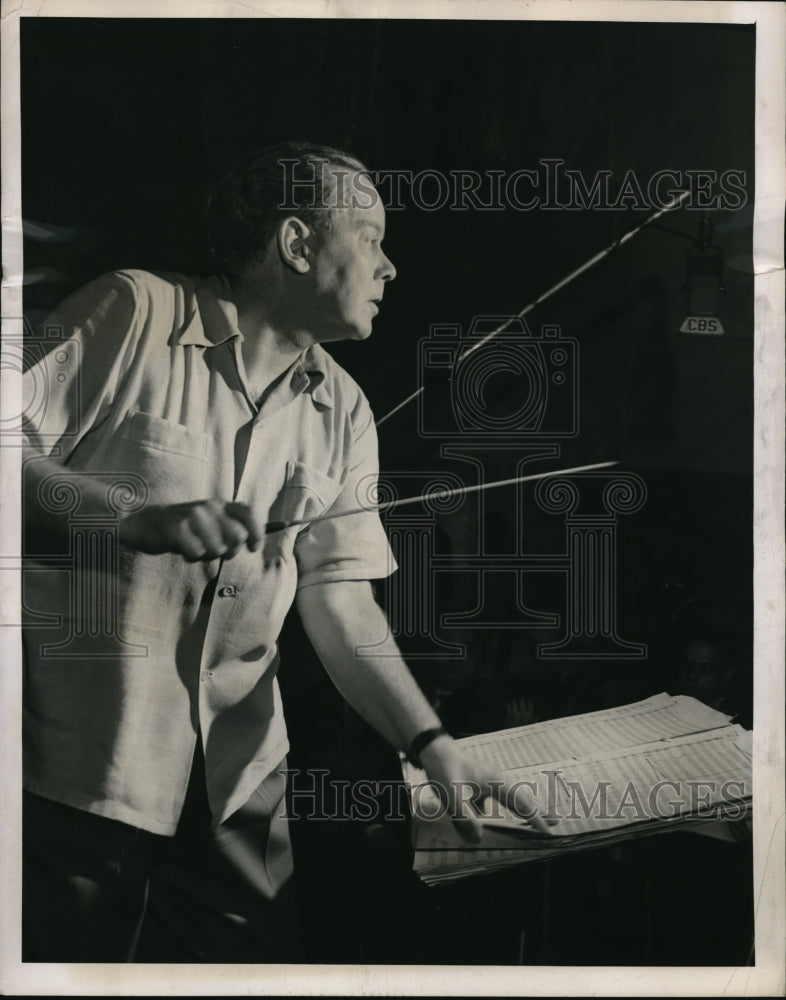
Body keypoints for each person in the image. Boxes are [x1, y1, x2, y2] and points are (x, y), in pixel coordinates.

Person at [20, 141, 552, 962]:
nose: (390, 268)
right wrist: (126, 517)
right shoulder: (133, 311)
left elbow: (340, 601)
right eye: (371, 237)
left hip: (242, 783)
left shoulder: (344, 406)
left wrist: (431, 743)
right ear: (298, 245)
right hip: (75, 763)